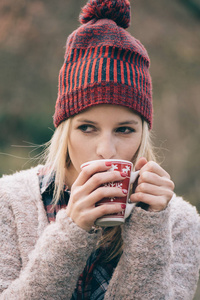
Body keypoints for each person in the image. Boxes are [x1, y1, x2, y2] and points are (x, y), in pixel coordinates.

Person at [0, 0, 199, 299]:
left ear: (143, 133)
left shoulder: (180, 222)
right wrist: (72, 231)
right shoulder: (9, 204)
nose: (106, 150)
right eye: (87, 127)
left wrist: (151, 228)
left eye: (124, 129)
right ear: (65, 129)